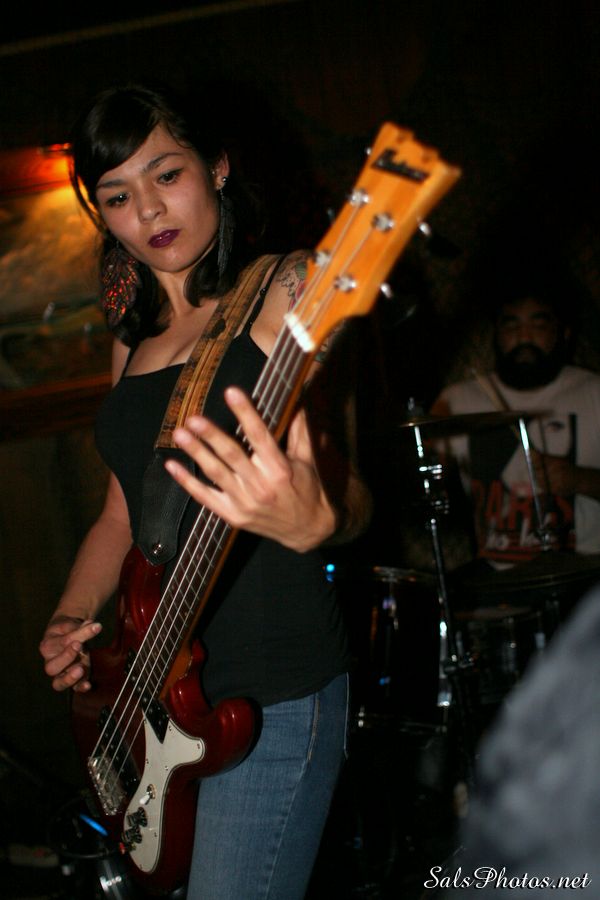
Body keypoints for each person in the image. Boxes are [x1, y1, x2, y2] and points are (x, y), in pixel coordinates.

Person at [38, 81, 373, 899]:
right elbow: (119, 514)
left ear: (216, 168)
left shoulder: (287, 286)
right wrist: (71, 617)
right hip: (159, 690)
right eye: (118, 194)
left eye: (167, 173)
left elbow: (353, 488)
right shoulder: (132, 339)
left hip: (274, 689)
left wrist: (320, 519)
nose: (149, 209)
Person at [431, 287, 600, 569]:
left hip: (585, 575)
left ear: (564, 333)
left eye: (538, 324)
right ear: (496, 334)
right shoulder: (455, 401)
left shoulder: (594, 392)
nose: (524, 337)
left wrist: (579, 479)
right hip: (497, 578)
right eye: (511, 325)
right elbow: (427, 483)